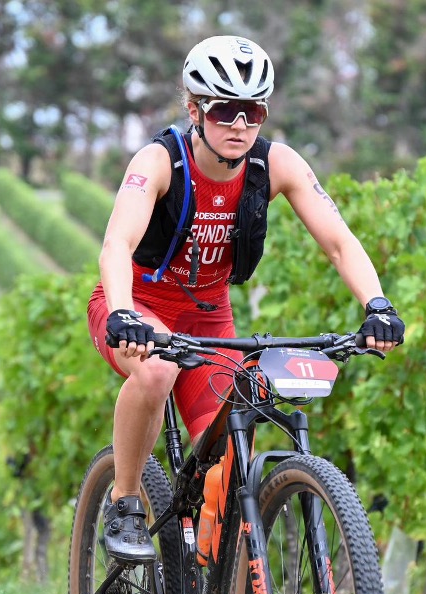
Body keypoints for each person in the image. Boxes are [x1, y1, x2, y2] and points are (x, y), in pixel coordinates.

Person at [87, 35, 406, 563]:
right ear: (194, 109)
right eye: (226, 110)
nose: (240, 125)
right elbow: (117, 244)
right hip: (138, 306)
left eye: (253, 112)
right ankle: (124, 502)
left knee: (238, 438)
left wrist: (377, 305)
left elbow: (339, 242)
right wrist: (123, 312)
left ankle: (212, 568)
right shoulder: (159, 160)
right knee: (156, 370)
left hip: (211, 315)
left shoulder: (275, 163)